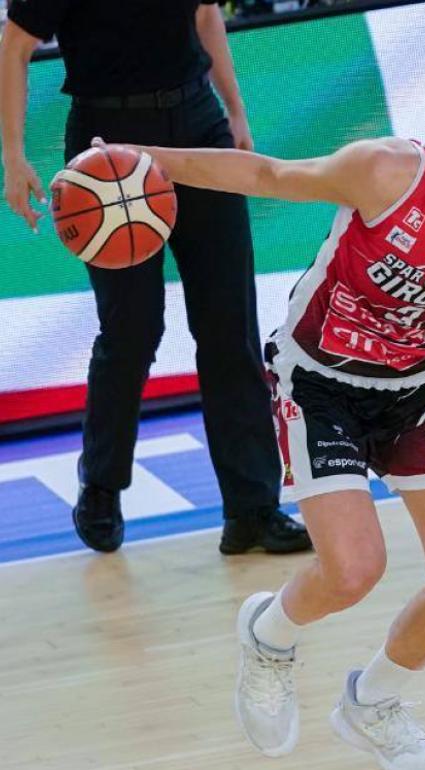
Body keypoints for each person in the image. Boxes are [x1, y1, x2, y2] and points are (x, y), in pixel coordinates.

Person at [113, 57, 425, 768]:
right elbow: (266, 175)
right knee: (353, 571)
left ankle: (372, 704)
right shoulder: (388, 175)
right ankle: (269, 637)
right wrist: (142, 158)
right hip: (322, 381)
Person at [1, 1, 311, 555]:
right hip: (107, 145)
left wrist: (235, 108)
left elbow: (205, 13)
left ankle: (253, 507)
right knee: (132, 329)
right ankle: (100, 486)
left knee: (230, 324)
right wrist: (14, 155)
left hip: (197, 125)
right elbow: (15, 45)